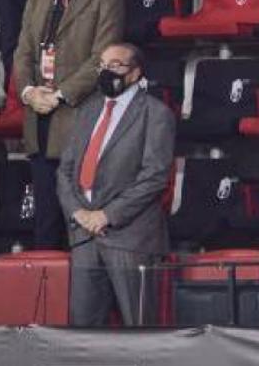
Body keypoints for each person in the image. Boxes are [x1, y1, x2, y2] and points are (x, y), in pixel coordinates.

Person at [12, 0, 123, 250]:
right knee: (44, 216)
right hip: (38, 117)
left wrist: (59, 95)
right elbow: (23, 51)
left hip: (78, 117)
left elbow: (102, 57)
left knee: (78, 215)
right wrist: (30, 92)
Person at [56, 43, 176, 327]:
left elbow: (155, 176)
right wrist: (77, 212)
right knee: (83, 331)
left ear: (135, 73)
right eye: (103, 66)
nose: (106, 72)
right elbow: (65, 170)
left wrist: (107, 215)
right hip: (84, 235)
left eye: (115, 66)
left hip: (130, 238)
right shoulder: (87, 111)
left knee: (140, 328)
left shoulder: (155, 113)